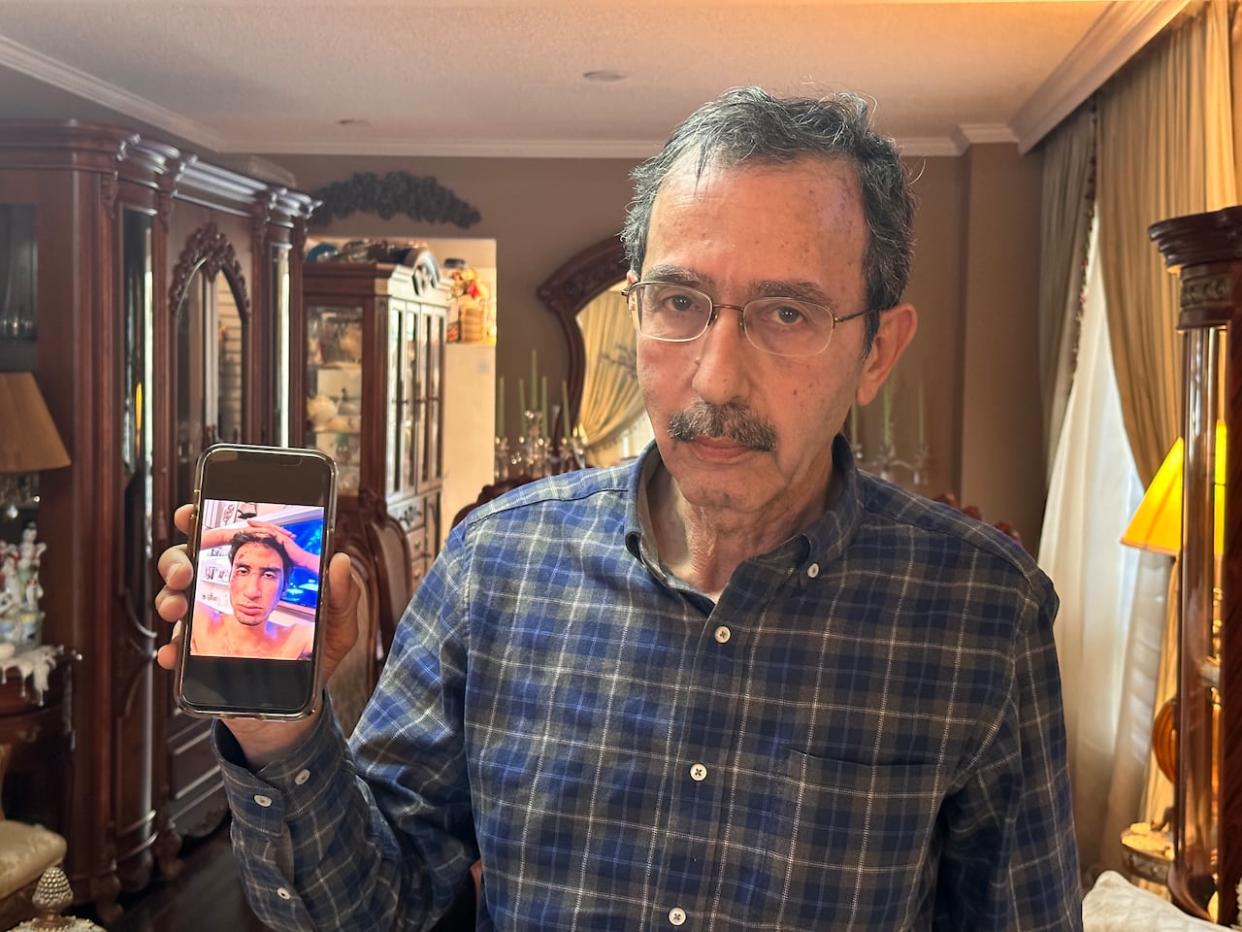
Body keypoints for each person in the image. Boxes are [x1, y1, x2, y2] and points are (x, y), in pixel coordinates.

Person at [155, 88, 1080, 929]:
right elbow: (372, 912)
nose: (713, 379)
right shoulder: (495, 568)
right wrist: (282, 731)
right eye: (679, 301)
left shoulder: (982, 617)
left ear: (877, 350)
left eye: (786, 314)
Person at [190, 519, 319, 661]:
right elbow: (173, 551)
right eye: (243, 571)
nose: (252, 592)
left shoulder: (297, 639)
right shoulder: (202, 621)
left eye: (268, 575)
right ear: (229, 577)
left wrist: (305, 559)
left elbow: (342, 585)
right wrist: (227, 536)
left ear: (284, 587)